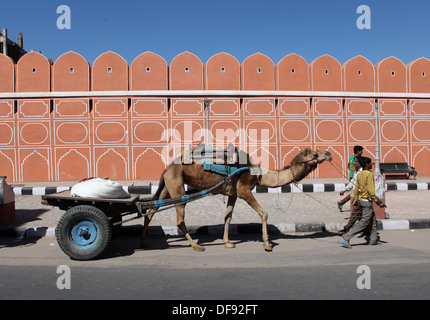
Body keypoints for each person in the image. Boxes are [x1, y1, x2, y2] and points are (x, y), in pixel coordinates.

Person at [340, 156, 386, 249]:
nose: (371, 164)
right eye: (370, 163)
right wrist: (378, 202)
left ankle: (373, 240)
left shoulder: (360, 174)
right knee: (364, 222)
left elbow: (356, 188)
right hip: (367, 201)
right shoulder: (369, 174)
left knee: (372, 221)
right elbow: (371, 191)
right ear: (366, 164)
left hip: (361, 200)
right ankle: (347, 237)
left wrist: (356, 200)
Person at [337, 156, 362, 234]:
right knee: (360, 216)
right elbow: (352, 183)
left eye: (356, 162)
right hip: (358, 196)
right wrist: (344, 190)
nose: (354, 163)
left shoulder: (363, 173)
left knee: (357, 216)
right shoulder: (356, 172)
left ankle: (347, 231)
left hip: (363, 197)